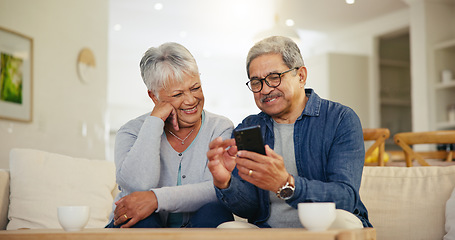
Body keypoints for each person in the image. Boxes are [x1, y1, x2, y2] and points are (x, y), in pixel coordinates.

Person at [207, 36, 372, 228]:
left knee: (345, 223)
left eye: (274, 78)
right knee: (227, 229)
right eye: (256, 82)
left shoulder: (340, 119)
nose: (265, 89)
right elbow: (249, 209)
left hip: (324, 227)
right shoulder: (249, 127)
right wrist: (225, 182)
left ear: (300, 76)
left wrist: (286, 184)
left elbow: (345, 198)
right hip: (269, 231)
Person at [106, 42, 234, 228]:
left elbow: (217, 189)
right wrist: (155, 120)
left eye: (195, 87)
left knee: (215, 212)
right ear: (154, 97)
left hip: (196, 227)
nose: (191, 100)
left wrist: (156, 199)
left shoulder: (220, 127)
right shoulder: (130, 131)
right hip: (140, 226)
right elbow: (138, 188)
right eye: (177, 94)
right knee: (143, 221)